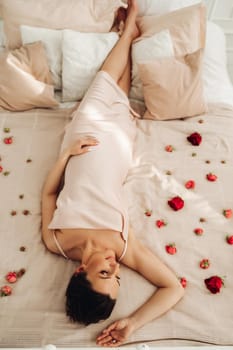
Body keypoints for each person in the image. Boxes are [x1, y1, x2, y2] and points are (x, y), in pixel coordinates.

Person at [41, 0, 184, 347]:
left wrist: (65, 155)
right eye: (117, 277)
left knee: (106, 81)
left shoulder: (56, 241)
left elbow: (48, 195)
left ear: (80, 272)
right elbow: (173, 288)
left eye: (104, 273)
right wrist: (132, 323)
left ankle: (129, 25)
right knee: (119, 91)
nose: (114, 268)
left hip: (86, 137)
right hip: (120, 142)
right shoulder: (121, 249)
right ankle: (129, 33)